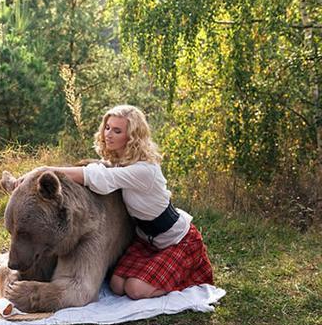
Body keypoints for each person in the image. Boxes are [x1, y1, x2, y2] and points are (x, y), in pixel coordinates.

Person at [15, 104, 213, 300]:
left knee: (135, 290)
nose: (108, 134)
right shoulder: (121, 163)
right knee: (117, 286)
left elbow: (100, 178)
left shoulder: (145, 170)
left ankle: (183, 280)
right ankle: (156, 279)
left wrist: (42, 170)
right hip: (144, 241)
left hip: (174, 240)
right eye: (107, 128)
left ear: (132, 137)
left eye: (117, 131)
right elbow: (101, 169)